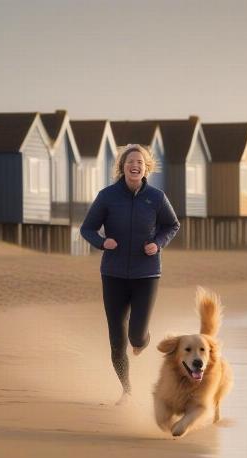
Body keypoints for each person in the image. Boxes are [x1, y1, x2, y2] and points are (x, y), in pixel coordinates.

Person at [80, 144, 180, 405]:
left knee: (136, 336)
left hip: (146, 274)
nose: (134, 165)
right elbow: (87, 228)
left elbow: (172, 224)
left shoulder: (156, 198)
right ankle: (126, 389)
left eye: (140, 162)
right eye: (129, 162)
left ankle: (141, 341)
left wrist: (157, 243)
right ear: (122, 167)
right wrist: (103, 243)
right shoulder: (108, 196)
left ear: (147, 167)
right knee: (116, 340)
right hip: (113, 274)